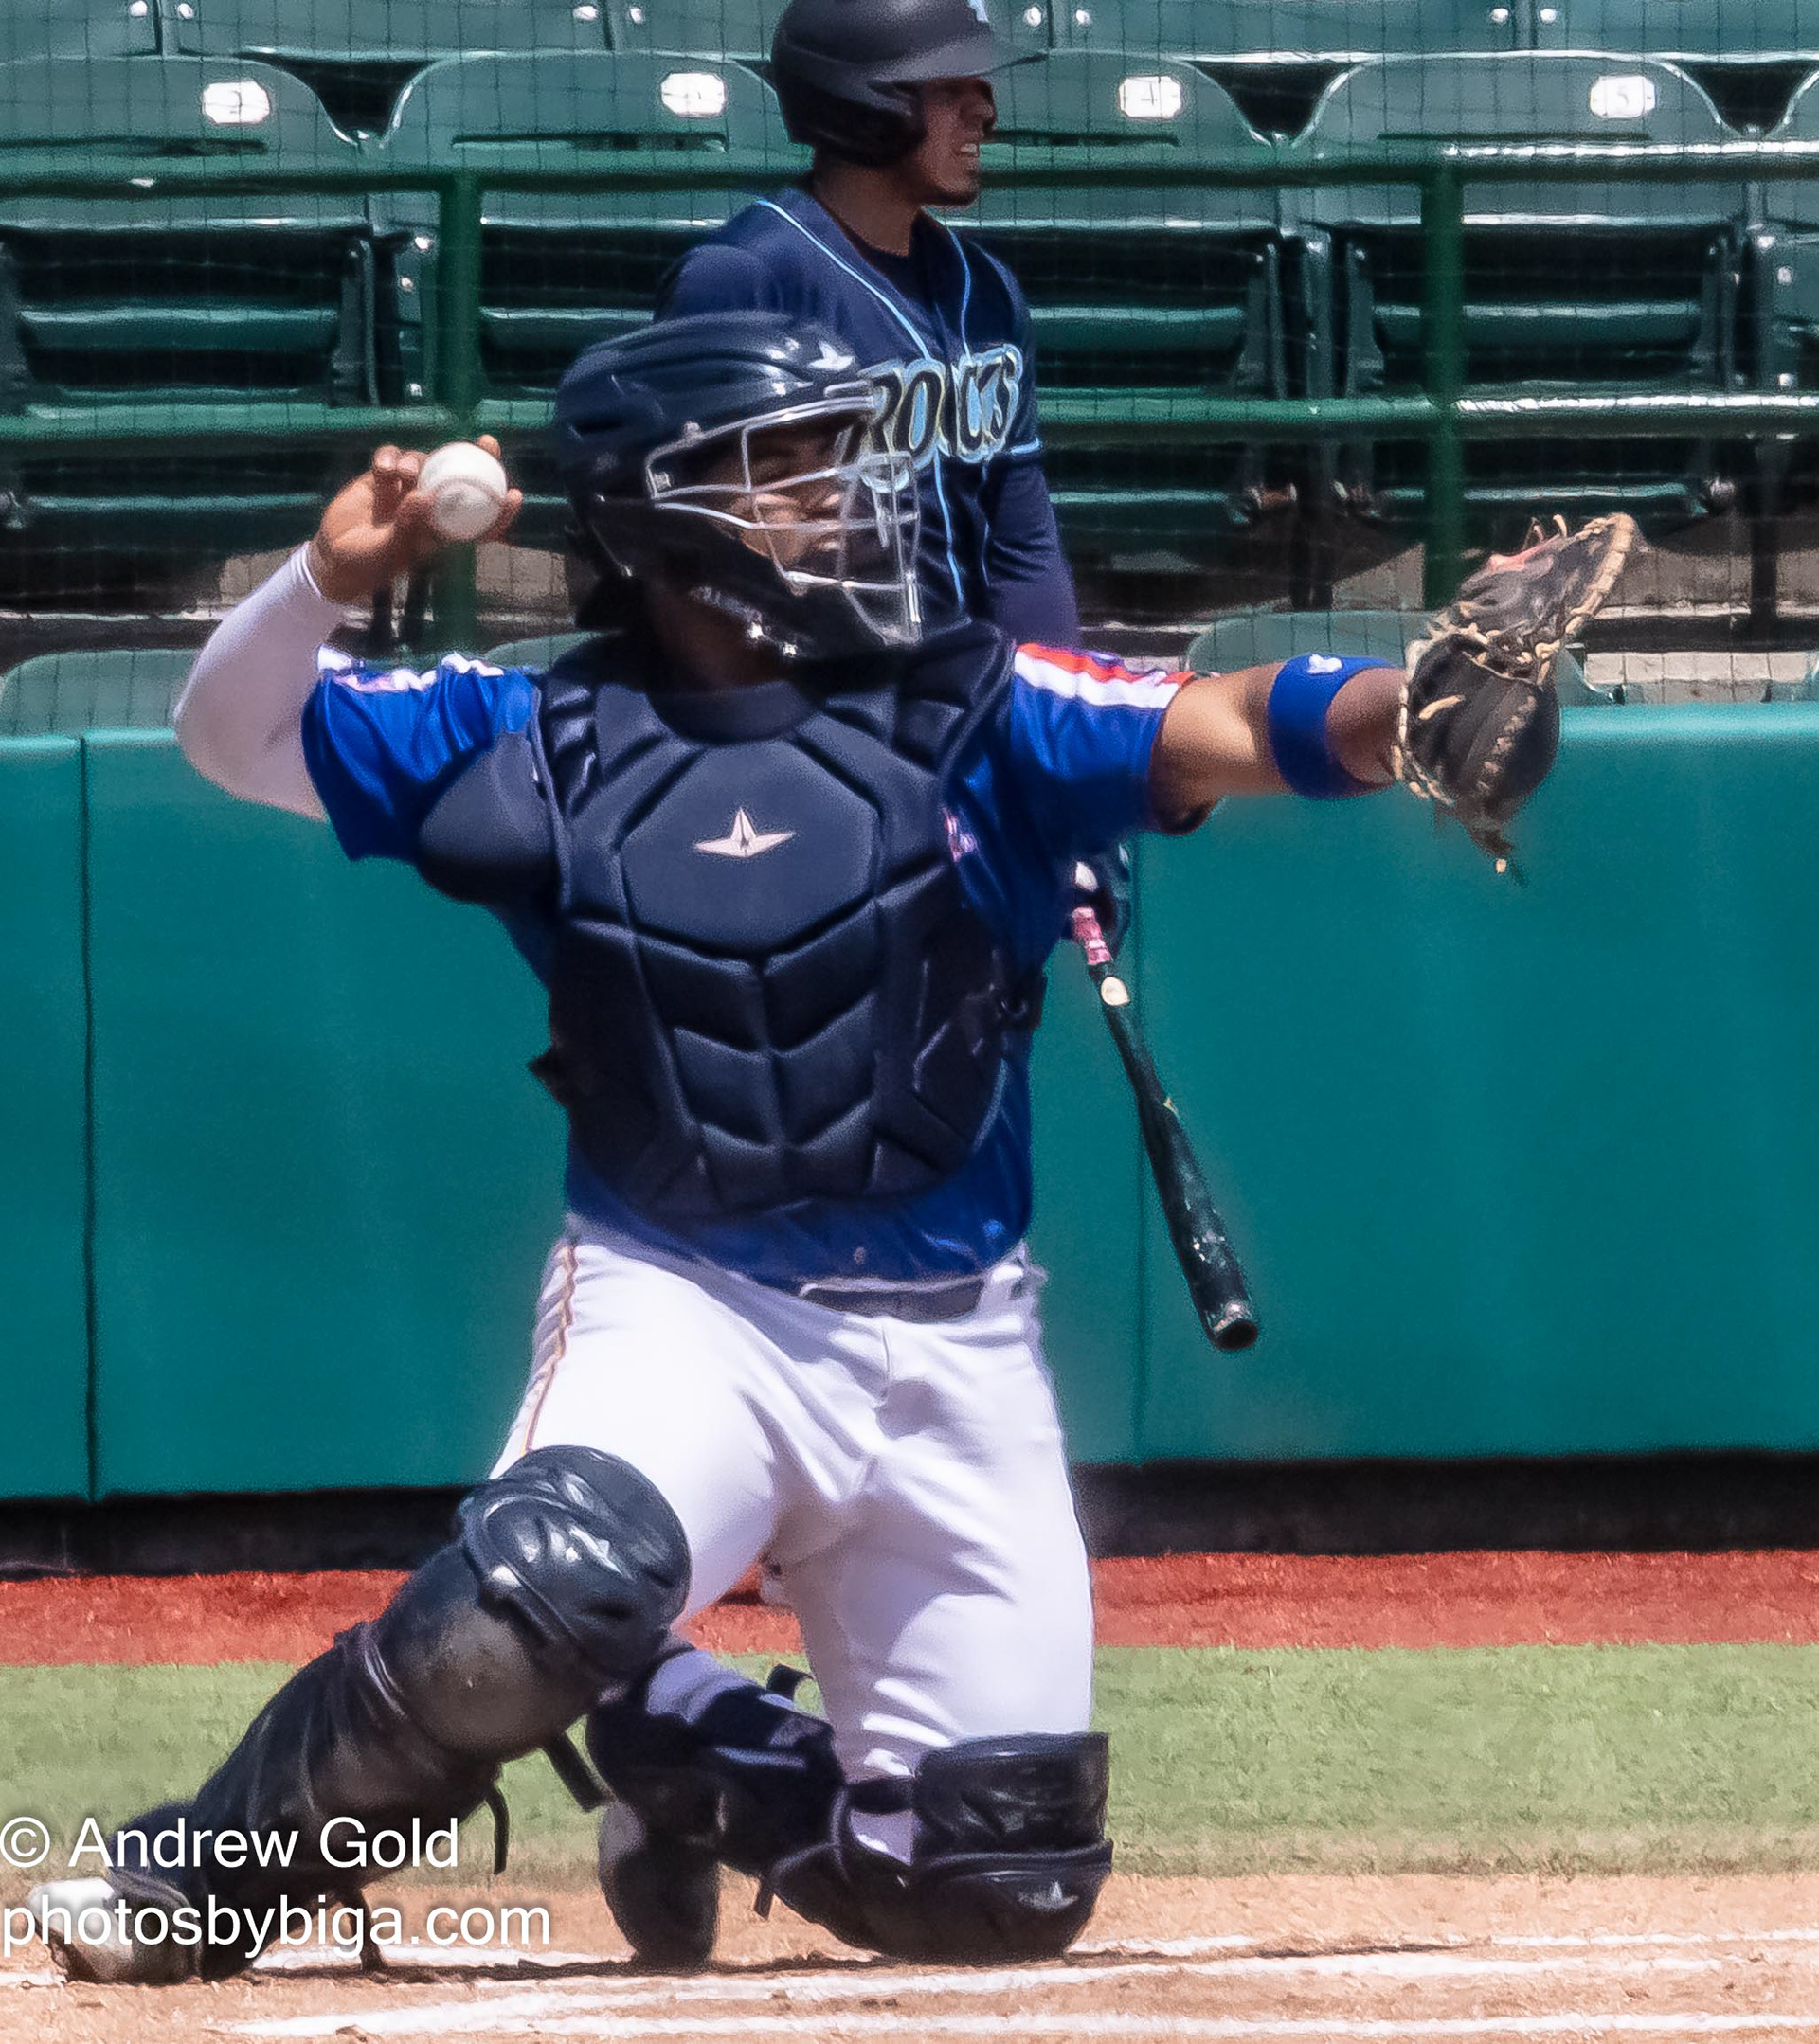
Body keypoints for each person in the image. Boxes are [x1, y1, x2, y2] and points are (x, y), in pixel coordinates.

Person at [28, 311, 1607, 1984]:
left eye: (842, 460)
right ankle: (193, 1877)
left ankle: (686, 1740)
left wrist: (1423, 701)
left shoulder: (977, 707)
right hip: (686, 1306)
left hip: (957, 1347)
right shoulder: (528, 734)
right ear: (662, 505)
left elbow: (1235, 717)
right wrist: (331, 575)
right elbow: (232, 733)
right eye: (783, 466)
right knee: (539, 1592)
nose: (840, 495)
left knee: (998, 1889)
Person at [657, 0, 1079, 648]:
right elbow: (689, 544)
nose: (985, 113)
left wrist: (1050, 706)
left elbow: (1022, 540)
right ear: (864, 103)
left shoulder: (989, 290)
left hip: (971, 687)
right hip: (812, 690)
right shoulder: (744, 280)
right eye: (949, 87)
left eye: (981, 85)